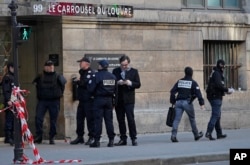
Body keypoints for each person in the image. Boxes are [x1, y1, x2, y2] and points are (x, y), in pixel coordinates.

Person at [33, 60, 67, 144]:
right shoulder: (40, 76)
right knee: (38, 118)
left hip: (54, 101)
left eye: (51, 66)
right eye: (48, 66)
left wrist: (59, 95)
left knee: (53, 120)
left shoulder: (58, 76)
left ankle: (52, 137)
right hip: (42, 100)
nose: (50, 67)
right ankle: (39, 136)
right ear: (45, 67)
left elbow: (63, 85)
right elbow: (35, 84)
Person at [170, 66, 205, 143]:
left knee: (176, 119)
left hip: (178, 102)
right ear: (192, 73)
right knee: (192, 118)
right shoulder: (193, 82)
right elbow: (198, 93)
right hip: (187, 102)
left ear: (185, 73)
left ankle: (173, 135)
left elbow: (172, 91)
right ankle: (196, 135)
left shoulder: (180, 81)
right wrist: (201, 103)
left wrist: (173, 101)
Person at [112, 55, 141, 146]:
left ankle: (133, 138)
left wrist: (130, 83)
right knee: (120, 120)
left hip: (129, 100)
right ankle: (123, 138)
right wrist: (118, 83)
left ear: (128, 63)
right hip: (119, 99)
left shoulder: (134, 71)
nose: (124, 67)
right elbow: (112, 82)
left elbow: (138, 84)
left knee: (130, 119)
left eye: (126, 65)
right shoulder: (115, 71)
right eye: (122, 65)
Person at [88, 59, 116, 148]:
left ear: (101, 66)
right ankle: (111, 140)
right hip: (109, 100)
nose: (98, 66)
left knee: (98, 121)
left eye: (99, 65)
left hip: (98, 100)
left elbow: (91, 89)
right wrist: (114, 102)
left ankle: (97, 141)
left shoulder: (97, 76)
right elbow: (116, 90)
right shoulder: (112, 76)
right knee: (109, 121)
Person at [205, 59, 234, 140]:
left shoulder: (215, 72)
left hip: (214, 96)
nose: (223, 68)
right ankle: (208, 132)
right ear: (221, 65)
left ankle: (219, 133)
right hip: (215, 96)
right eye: (223, 66)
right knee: (215, 115)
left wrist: (225, 91)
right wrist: (227, 90)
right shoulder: (217, 73)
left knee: (217, 115)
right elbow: (218, 84)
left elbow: (217, 85)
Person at [70, 57, 95, 145]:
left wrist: (78, 81)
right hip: (82, 100)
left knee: (90, 119)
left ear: (87, 64)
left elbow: (84, 83)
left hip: (88, 100)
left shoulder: (90, 73)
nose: (80, 64)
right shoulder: (82, 72)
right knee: (79, 119)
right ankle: (80, 137)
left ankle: (92, 137)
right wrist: (79, 81)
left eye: (81, 62)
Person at [1, 62, 15, 145]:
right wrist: (8, 99)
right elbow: (6, 90)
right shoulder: (7, 77)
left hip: (15, 101)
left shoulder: (14, 77)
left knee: (13, 119)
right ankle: (8, 137)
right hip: (10, 101)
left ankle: (11, 136)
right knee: (9, 119)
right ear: (10, 68)